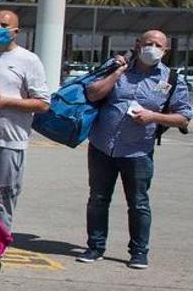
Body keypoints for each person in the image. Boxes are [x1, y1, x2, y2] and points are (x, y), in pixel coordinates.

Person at [78, 29, 191, 269]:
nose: (152, 48)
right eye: (147, 43)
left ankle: (139, 252)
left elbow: (183, 117)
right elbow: (92, 92)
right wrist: (117, 70)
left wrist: (154, 116)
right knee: (98, 199)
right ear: (138, 44)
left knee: (138, 203)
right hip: (102, 147)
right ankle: (95, 247)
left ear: (165, 50)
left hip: (139, 151)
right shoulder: (118, 68)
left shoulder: (170, 80)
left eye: (158, 45)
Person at [0, 10, 51, 232]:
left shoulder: (28, 60)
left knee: (0, 201)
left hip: (8, 143)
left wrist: (4, 102)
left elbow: (42, 103)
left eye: (4, 25)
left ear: (16, 32)